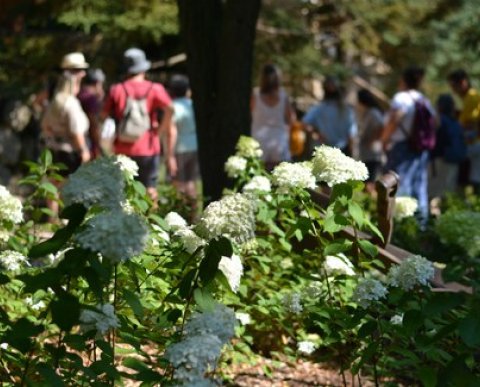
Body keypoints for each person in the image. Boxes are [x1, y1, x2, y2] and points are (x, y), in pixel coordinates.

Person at [103, 48, 174, 201]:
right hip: (148, 145)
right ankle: (150, 222)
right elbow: (169, 108)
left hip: (122, 147)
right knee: (150, 189)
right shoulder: (155, 88)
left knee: (124, 190)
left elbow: (103, 115)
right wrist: (160, 130)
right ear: (143, 68)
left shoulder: (117, 89)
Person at [380, 66, 436, 221]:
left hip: (402, 147)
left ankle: (399, 223)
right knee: (420, 186)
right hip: (421, 148)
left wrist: (384, 139)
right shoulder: (424, 99)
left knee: (400, 185)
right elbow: (435, 122)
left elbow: (396, 118)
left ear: (403, 80)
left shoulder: (401, 98)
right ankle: (420, 224)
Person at [41, 53, 91, 175]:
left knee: (55, 188)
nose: (83, 74)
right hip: (69, 156)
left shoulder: (56, 99)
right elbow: (76, 132)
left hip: (53, 151)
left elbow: (45, 125)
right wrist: (83, 151)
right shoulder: (70, 102)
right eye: (78, 70)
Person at [167, 74, 200, 213]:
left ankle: (182, 214)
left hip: (180, 147)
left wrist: (170, 155)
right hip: (194, 144)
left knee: (179, 184)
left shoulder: (173, 106)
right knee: (191, 182)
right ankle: (194, 212)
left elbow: (172, 132)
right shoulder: (192, 104)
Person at [251, 64, 294, 170]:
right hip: (279, 140)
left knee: (260, 177)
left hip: (259, 141)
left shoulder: (255, 94)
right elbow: (291, 119)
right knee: (279, 180)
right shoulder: (283, 95)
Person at [302, 76, 357, 156]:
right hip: (342, 151)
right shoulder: (347, 110)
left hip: (325, 151)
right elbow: (351, 134)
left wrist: (316, 133)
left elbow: (304, 123)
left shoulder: (319, 108)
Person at [447, 69, 480, 189]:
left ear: (463, 82)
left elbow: (470, 122)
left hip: (474, 143)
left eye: (454, 86)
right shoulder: (469, 97)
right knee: (474, 176)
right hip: (472, 142)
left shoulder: (471, 97)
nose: (453, 90)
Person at [429, 94, 466, 199]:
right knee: (448, 193)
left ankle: (428, 214)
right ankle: (447, 213)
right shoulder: (456, 122)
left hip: (439, 159)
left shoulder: (439, 120)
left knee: (432, 192)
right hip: (454, 160)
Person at [356, 88, 384, 192]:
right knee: (366, 183)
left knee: (369, 184)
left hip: (372, 154)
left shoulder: (373, 113)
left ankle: (371, 204)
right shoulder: (368, 112)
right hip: (367, 154)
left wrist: (372, 141)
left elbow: (380, 127)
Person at [78, 68, 106, 158]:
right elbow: (93, 123)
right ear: (98, 83)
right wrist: (98, 144)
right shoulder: (90, 99)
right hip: (88, 142)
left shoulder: (79, 93)